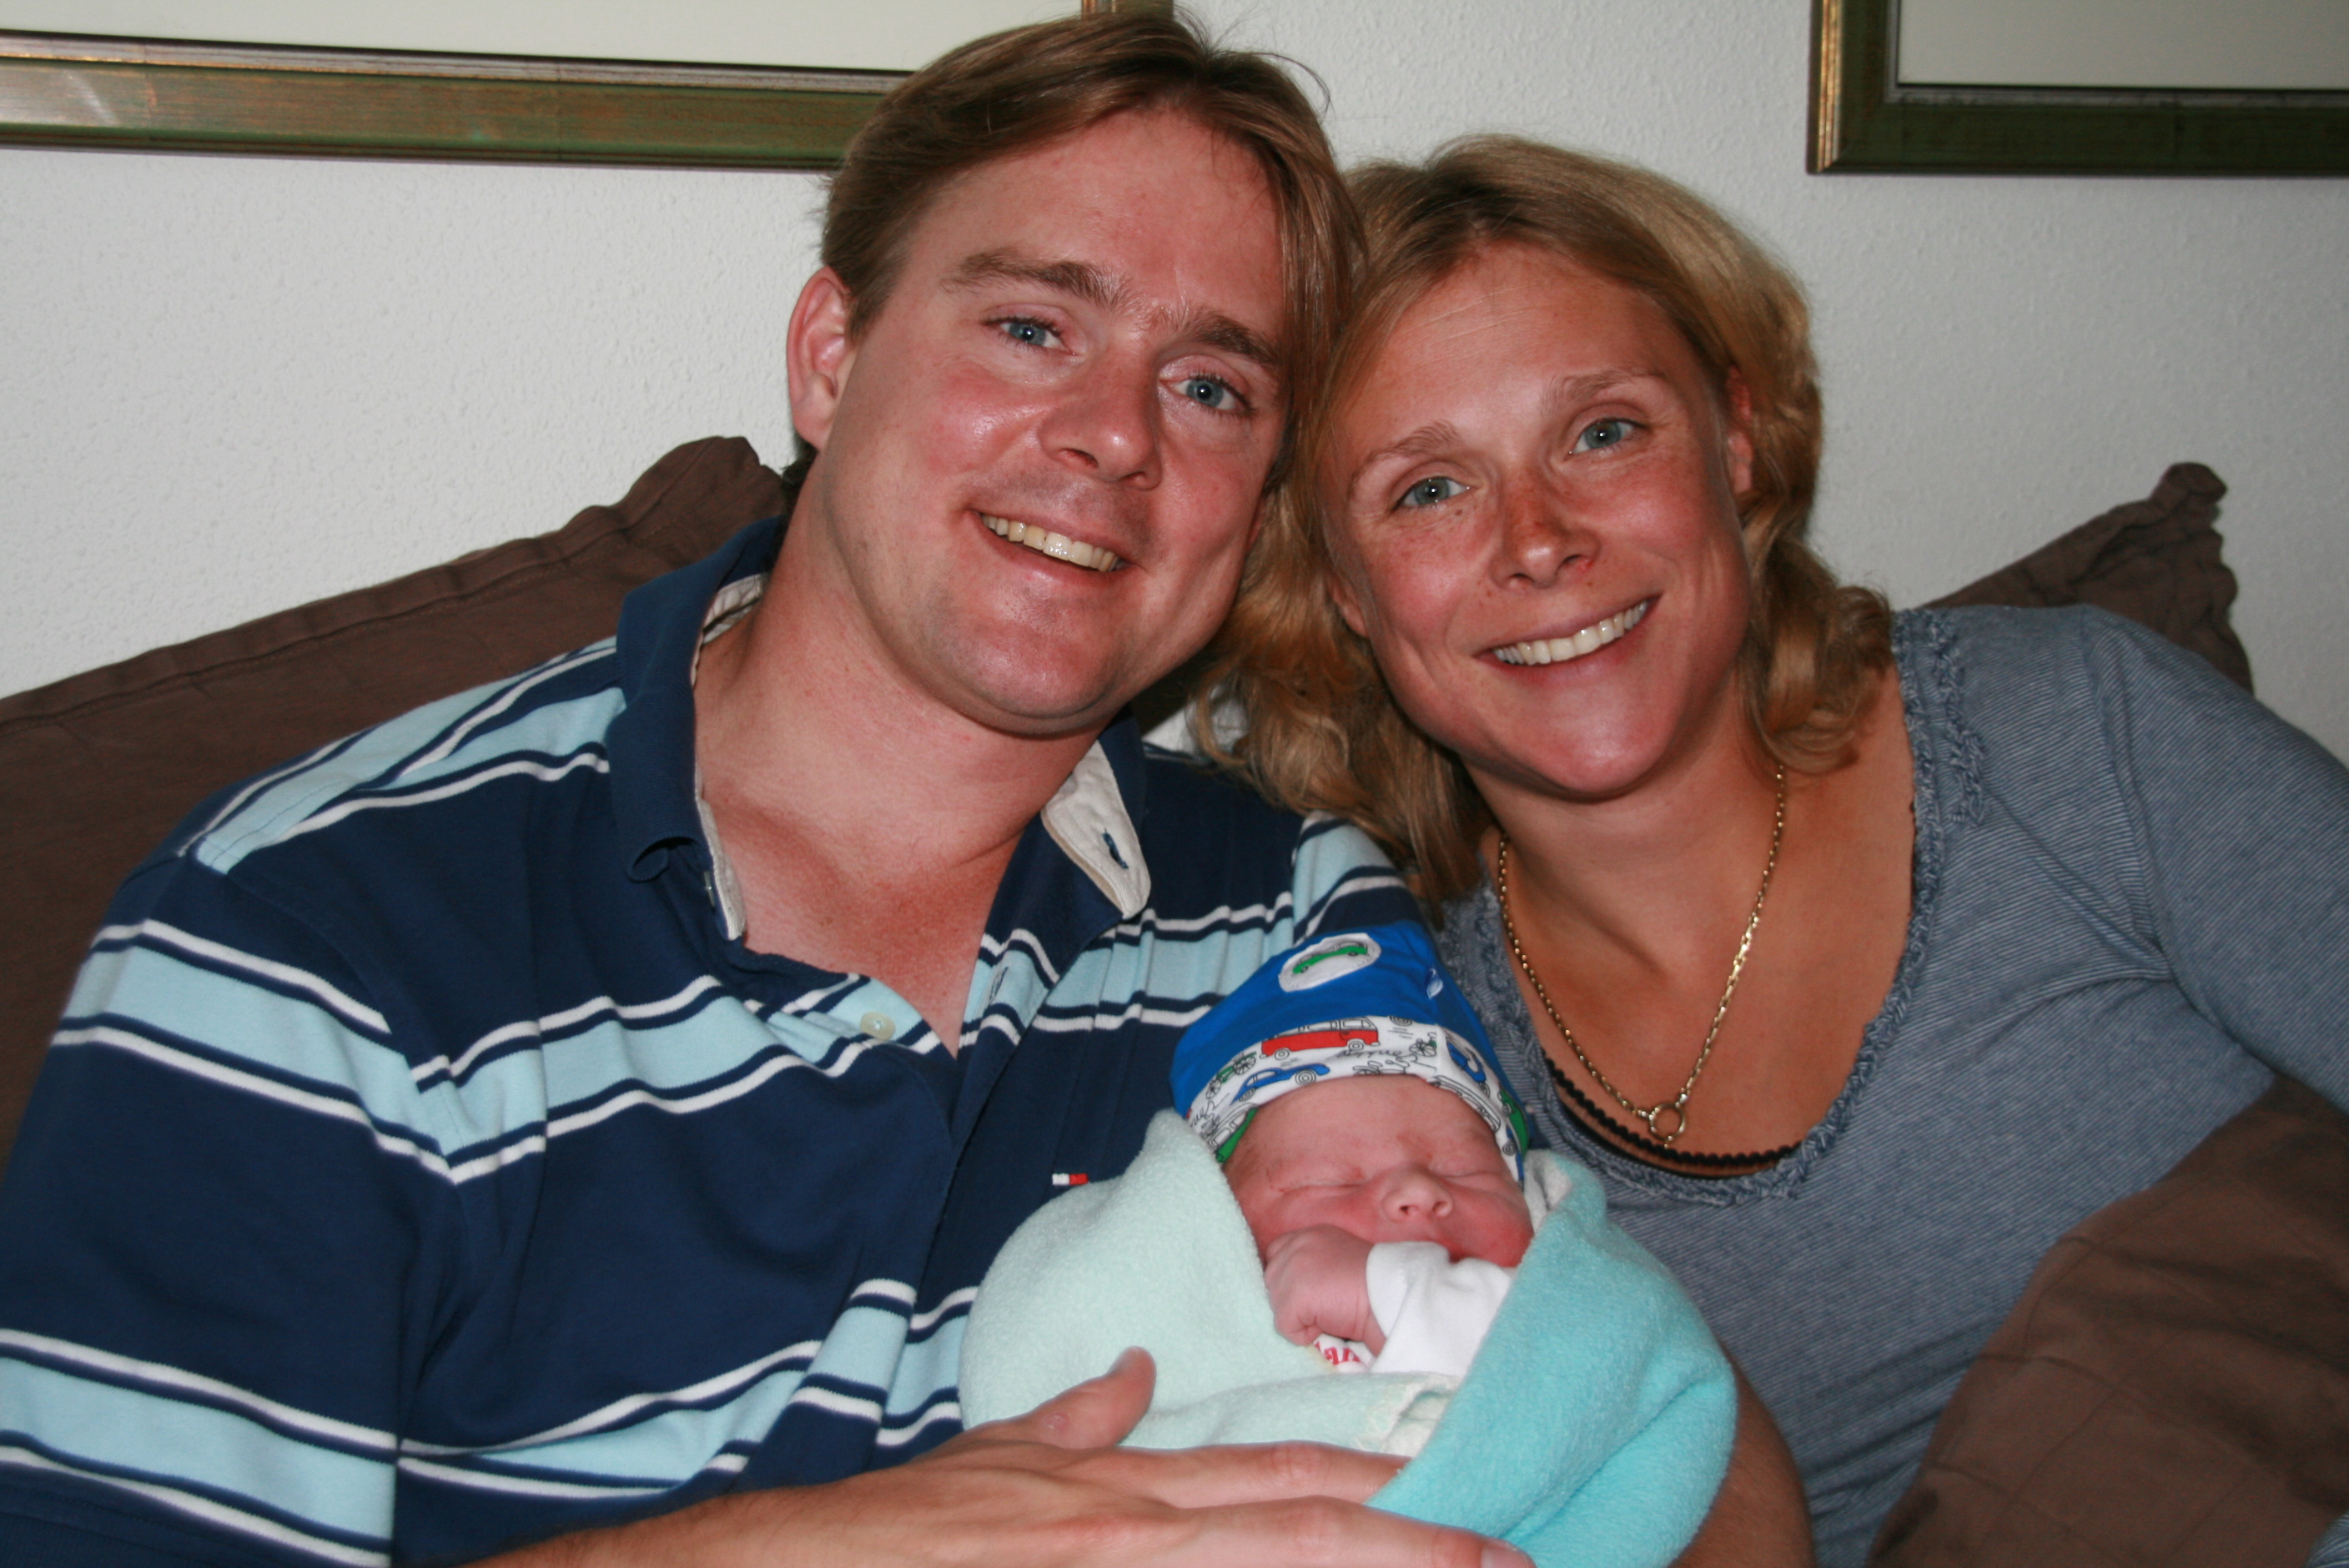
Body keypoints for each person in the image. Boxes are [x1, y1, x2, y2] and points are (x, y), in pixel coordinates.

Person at [0, 15, 1472, 1566]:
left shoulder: (1295, 929)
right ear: (831, 358)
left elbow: (1555, 1410)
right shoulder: (311, 938)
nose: (1114, 435)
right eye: (1032, 326)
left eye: (1212, 388)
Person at [1204, 133, 2349, 1568]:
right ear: (1343, 588)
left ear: (1735, 444)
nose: (1539, 540)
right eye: (1427, 489)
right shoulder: (1413, 1079)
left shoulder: (2067, 736)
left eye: (1603, 433)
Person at [959, 922, 1736, 1568]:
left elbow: (1567, 1369)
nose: (1416, 1191)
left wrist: (1387, 1289)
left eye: (1466, 1170)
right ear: (1211, 1216)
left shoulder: (1555, 1304)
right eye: (1329, 1179)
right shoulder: (1179, 1307)